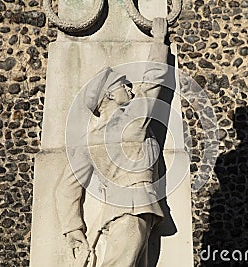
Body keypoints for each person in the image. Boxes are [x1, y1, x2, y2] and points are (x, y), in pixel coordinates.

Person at [56, 18, 169, 266]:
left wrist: (74, 229)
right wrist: (159, 42)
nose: (129, 88)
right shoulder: (131, 121)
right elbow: (152, 82)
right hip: (135, 208)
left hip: (119, 211)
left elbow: (66, 188)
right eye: (123, 85)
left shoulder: (90, 141)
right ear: (108, 95)